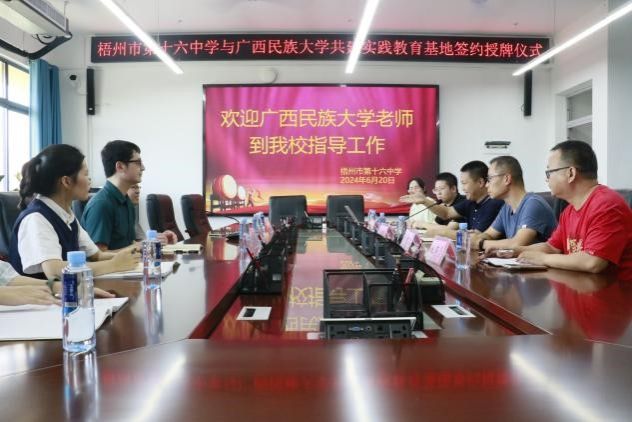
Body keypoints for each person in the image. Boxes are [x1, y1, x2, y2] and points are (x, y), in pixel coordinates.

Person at [8, 144, 138, 281]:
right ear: (66, 181)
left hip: (67, 291)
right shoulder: (36, 218)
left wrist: (130, 257)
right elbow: (53, 270)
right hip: (40, 293)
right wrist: (114, 265)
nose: (89, 180)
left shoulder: (66, 214)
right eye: (86, 174)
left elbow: (97, 255)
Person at [518, 141, 632, 280]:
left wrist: (543, 259)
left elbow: (592, 262)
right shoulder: (569, 211)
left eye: (549, 172)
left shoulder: (606, 205)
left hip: (616, 291)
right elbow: (552, 247)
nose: (546, 179)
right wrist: (512, 252)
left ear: (571, 173)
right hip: (583, 287)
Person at [471, 156, 557, 252]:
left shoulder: (533, 204)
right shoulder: (507, 208)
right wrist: (475, 238)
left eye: (490, 179)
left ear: (507, 179)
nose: (487, 185)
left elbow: (517, 244)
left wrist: (480, 243)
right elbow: (489, 234)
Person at [400, 160, 504, 240]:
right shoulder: (470, 202)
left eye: (464, 183)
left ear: (480, 182)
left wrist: (442, 233)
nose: (462, 188)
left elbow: (476, 236)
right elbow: (447, 213)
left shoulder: (494, 203)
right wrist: (424, 201)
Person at [83, 140, 144, 250]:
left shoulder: (127, 201)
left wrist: (152, 243)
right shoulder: (101, 204)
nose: (143, 168)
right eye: (138, 163)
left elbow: (129, 244)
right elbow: (97, 256)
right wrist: (135, 249)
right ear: (120, 166)